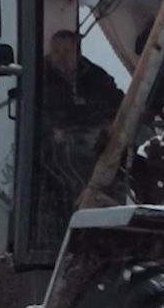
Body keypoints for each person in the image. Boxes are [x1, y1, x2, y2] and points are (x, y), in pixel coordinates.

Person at [37, 30, 125, 240]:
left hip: (94, 139)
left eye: (67, 51)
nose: (62, 57)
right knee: (74, 165)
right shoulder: (39, 78)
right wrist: (51, 129)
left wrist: (107, 126)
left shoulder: (96, 77)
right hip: (53, 145)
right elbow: (31, 111)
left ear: (78, 53)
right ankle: (81, 222)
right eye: (56, 51)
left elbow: (117, 104)